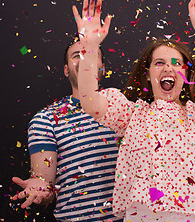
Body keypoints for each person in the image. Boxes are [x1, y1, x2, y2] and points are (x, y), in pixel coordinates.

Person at [74, 0, 195, 221]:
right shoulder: (132, 114)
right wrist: (90, 48)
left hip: (191, 215)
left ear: (186, 75)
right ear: (147, 74)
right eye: (159, 63)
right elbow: (89, 101)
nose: (168, 67)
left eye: (177, 63)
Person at [11, 31, 123, 221]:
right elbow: (44, 183)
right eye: (76, 56)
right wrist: (41, 189)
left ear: (102, 68)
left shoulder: (125, 110)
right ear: (65, 70)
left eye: (91, 54)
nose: (84, 59)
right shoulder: (45, 120)